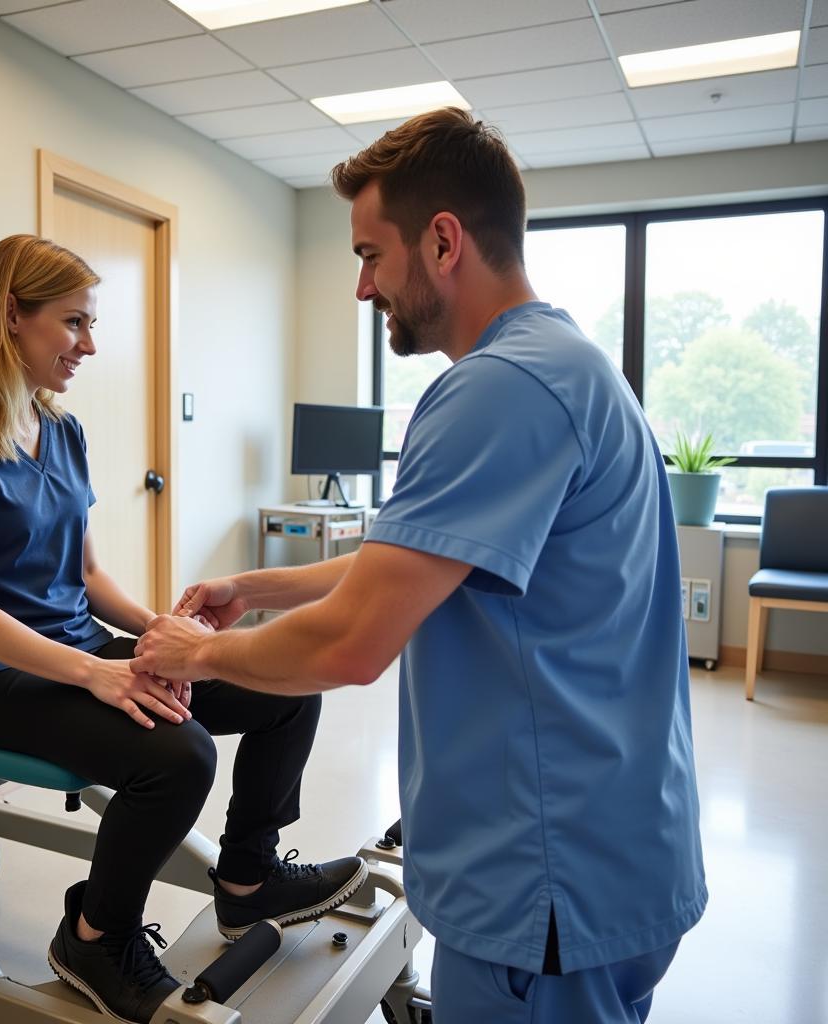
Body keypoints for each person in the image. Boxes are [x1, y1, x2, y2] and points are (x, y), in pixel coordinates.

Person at [133, 109, 707, 1024]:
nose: (363, 288)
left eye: (370, 255)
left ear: (443, 241)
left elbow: (356, 641)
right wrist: (256, 587)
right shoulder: (569, 364)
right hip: (615, 851)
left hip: (544, 882)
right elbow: (415, 560)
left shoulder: (495, 389)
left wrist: (192, 654)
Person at [0, 234, 367, 1024]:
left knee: (282, 681)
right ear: (11, 314)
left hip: (75, 654)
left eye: (91, 325)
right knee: (177, 755)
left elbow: (86, 579)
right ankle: (93, 939)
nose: (89, 345)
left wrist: (173, 638)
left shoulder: (61, 431)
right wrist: (97, 674)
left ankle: (248, 881)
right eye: (73, 323)